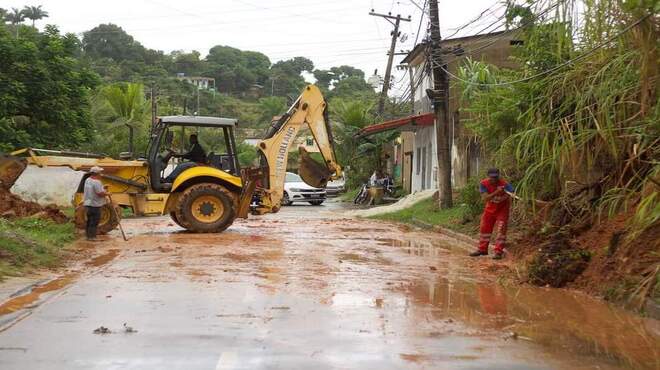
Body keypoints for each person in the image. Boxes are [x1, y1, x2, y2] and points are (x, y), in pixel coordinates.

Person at [470, 168, 514, 260]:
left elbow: (512, 192)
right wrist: (497, 192)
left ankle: (498, 252)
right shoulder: (483, 184)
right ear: (488, 176)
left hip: (502, 210)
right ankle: (482, 249)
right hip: (489, 210)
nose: (494, 179)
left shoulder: (504, 184)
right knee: (484, 228)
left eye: (495, 177)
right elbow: (485, 198)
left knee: (501, 230)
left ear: (498, 176)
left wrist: (505, 196)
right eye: (492, 177)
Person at [83, 166, 108, 241]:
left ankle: (88, 236)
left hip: (88, 204)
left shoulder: (88, 180)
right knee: (94, 221)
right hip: (95, 204)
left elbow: (94, 189)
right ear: (97, 173)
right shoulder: (97, 182)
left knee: (89, 221)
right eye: (100, 173)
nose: (101, 174)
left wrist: (103, 187)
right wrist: (107, 193)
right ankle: (92, 237)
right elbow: (100, 193)